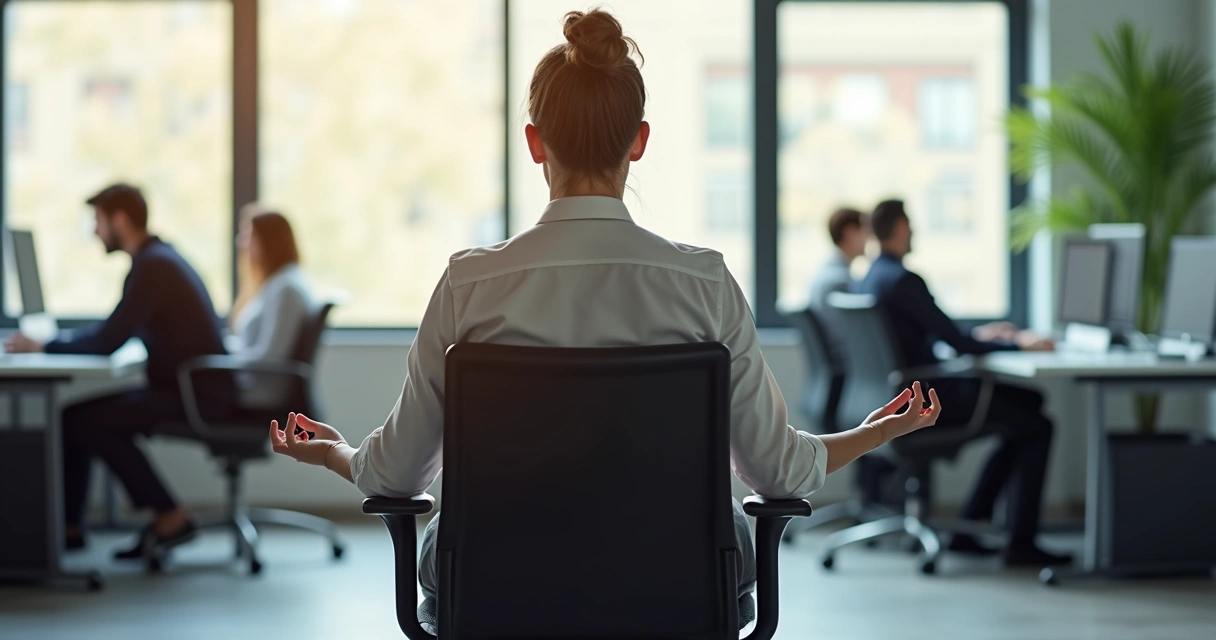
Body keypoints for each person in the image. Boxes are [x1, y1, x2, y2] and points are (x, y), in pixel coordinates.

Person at [266, 9, 944, 632]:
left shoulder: (469, 284)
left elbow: (393, 478)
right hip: (679, 591)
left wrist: (333, 451)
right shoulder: (703, 284)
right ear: (640, 141)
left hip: (496, 591)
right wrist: (873, 431)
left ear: (535, 143)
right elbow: (782, 474)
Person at [4, 183, 232, 558]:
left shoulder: (153, 266)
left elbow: (108, 339)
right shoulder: (156, 260)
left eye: (98, 221)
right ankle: (74, 527)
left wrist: (44, 345)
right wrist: (61, 342)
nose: (95, 231)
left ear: (120, 220)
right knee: (81, 417)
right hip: (191, 388)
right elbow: (112, 331)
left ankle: (168, 516)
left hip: (196, 396)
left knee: (86, 420)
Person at [858, 199, 1070, 566]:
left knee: (1029, 408)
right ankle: (1019, 542)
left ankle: (972, 524)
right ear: (900, 228)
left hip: (898, 395)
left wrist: (986, 335)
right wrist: (1019, 342)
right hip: (926, 399)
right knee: (1037, 422)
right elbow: (955, 341)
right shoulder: (904, 280)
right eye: (910, 224)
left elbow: (942, 335)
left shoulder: (873, 277)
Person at [228, 205, 316, 407]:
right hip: (251, 385)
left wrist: (226, 353)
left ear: (269, 241)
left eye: (248, 235)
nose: (241, 243)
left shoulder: (285, 289)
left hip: (258, 392)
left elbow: (271, 358)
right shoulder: (279, 283)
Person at [807, 206, 869, 361]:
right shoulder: (839, 282)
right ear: (850, 233)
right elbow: (849, 337)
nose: (869, 238)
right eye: (866, 231)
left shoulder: (823, 273)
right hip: (845, 366)